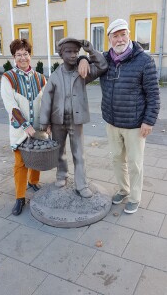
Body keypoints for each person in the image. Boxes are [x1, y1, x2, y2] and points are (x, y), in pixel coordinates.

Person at [78, 19, 160, 213]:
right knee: (116, 159)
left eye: (123, 34)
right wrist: (83, 58)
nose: (120, 39)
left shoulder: (144, 61)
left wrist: (149, 121)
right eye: (115, 36)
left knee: (134, 163)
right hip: (112, 122)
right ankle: (124, 189)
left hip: (135, 124)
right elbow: (91, 61)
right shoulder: (106, 59)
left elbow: (154, 95)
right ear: (109, 39)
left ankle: (135, 197)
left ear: (129, 35)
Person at [40, 37, 108, 198]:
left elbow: (103, 66)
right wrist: (44, 120)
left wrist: (89, 52)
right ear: (61, 54)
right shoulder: (55, 76)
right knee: (59, 151)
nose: (73, 55)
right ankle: (61, 175)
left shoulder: (82, 71)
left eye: (76, 52)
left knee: (79, 153)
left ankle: (81, 184)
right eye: (68, 51)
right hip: (58, 120)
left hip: (76, 120)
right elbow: (46, 98)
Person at [1, 39, 46, 215]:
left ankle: (33, 182)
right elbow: (10, 104)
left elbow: (47, 103)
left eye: (25, 54)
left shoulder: (41, 78)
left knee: (37, 157)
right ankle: (20, 197)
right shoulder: (8, 78)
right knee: (21, 163)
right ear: (14, 57)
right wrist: (25, 125)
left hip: (38, 128)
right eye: (18, 55)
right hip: (20, 129)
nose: (23, 58)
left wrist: (47, 123)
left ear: (30, 55)